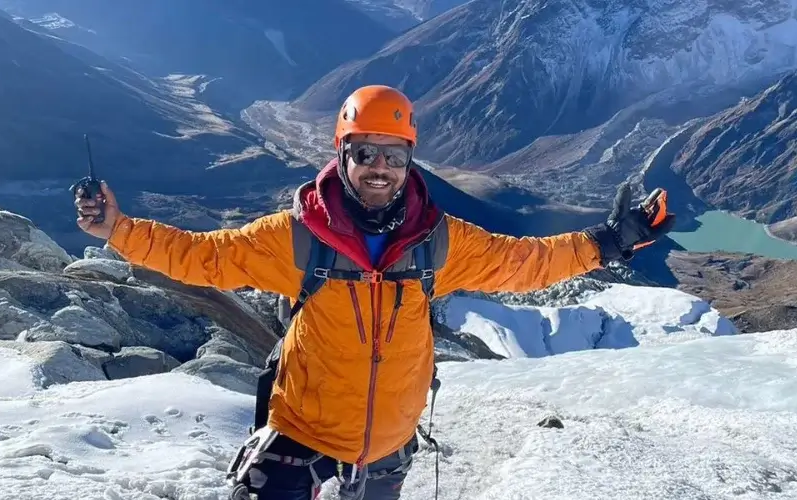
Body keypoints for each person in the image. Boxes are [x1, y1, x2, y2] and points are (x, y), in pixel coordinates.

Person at [74, 85, 675, 499]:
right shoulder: (295, 239)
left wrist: (607, 242)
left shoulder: (441, 241)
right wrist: (118, 231)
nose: (379, 167)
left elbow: (526, 263)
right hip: (302, 434)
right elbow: (201, 257)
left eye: (393, 154)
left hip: (389, 442)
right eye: (365, 153)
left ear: (411, 160)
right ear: (343, 155)